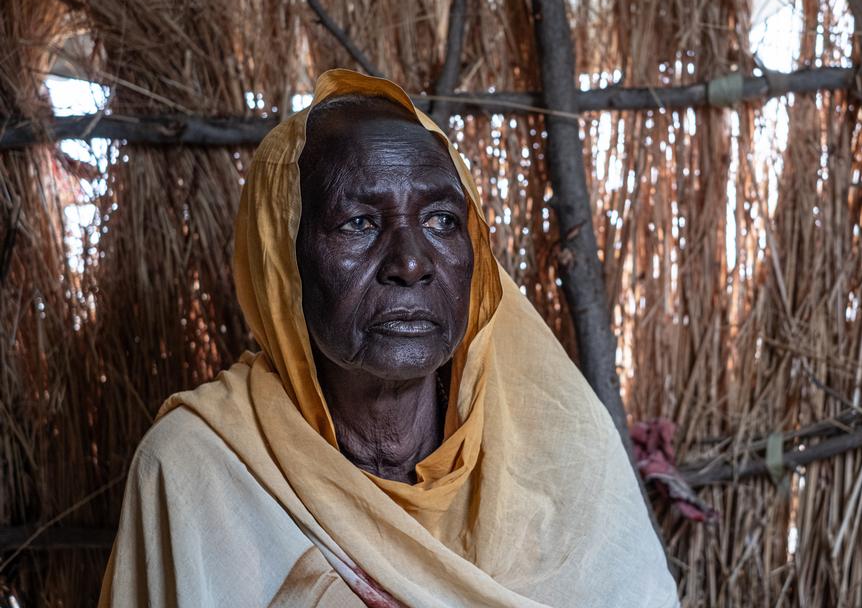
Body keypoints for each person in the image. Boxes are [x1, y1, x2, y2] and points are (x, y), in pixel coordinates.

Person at [98, 69, 677, 607]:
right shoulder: (199, 475)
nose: (410, 262)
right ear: (282, 264)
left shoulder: (558, 456)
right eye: (359, 223)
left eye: (442, 221)